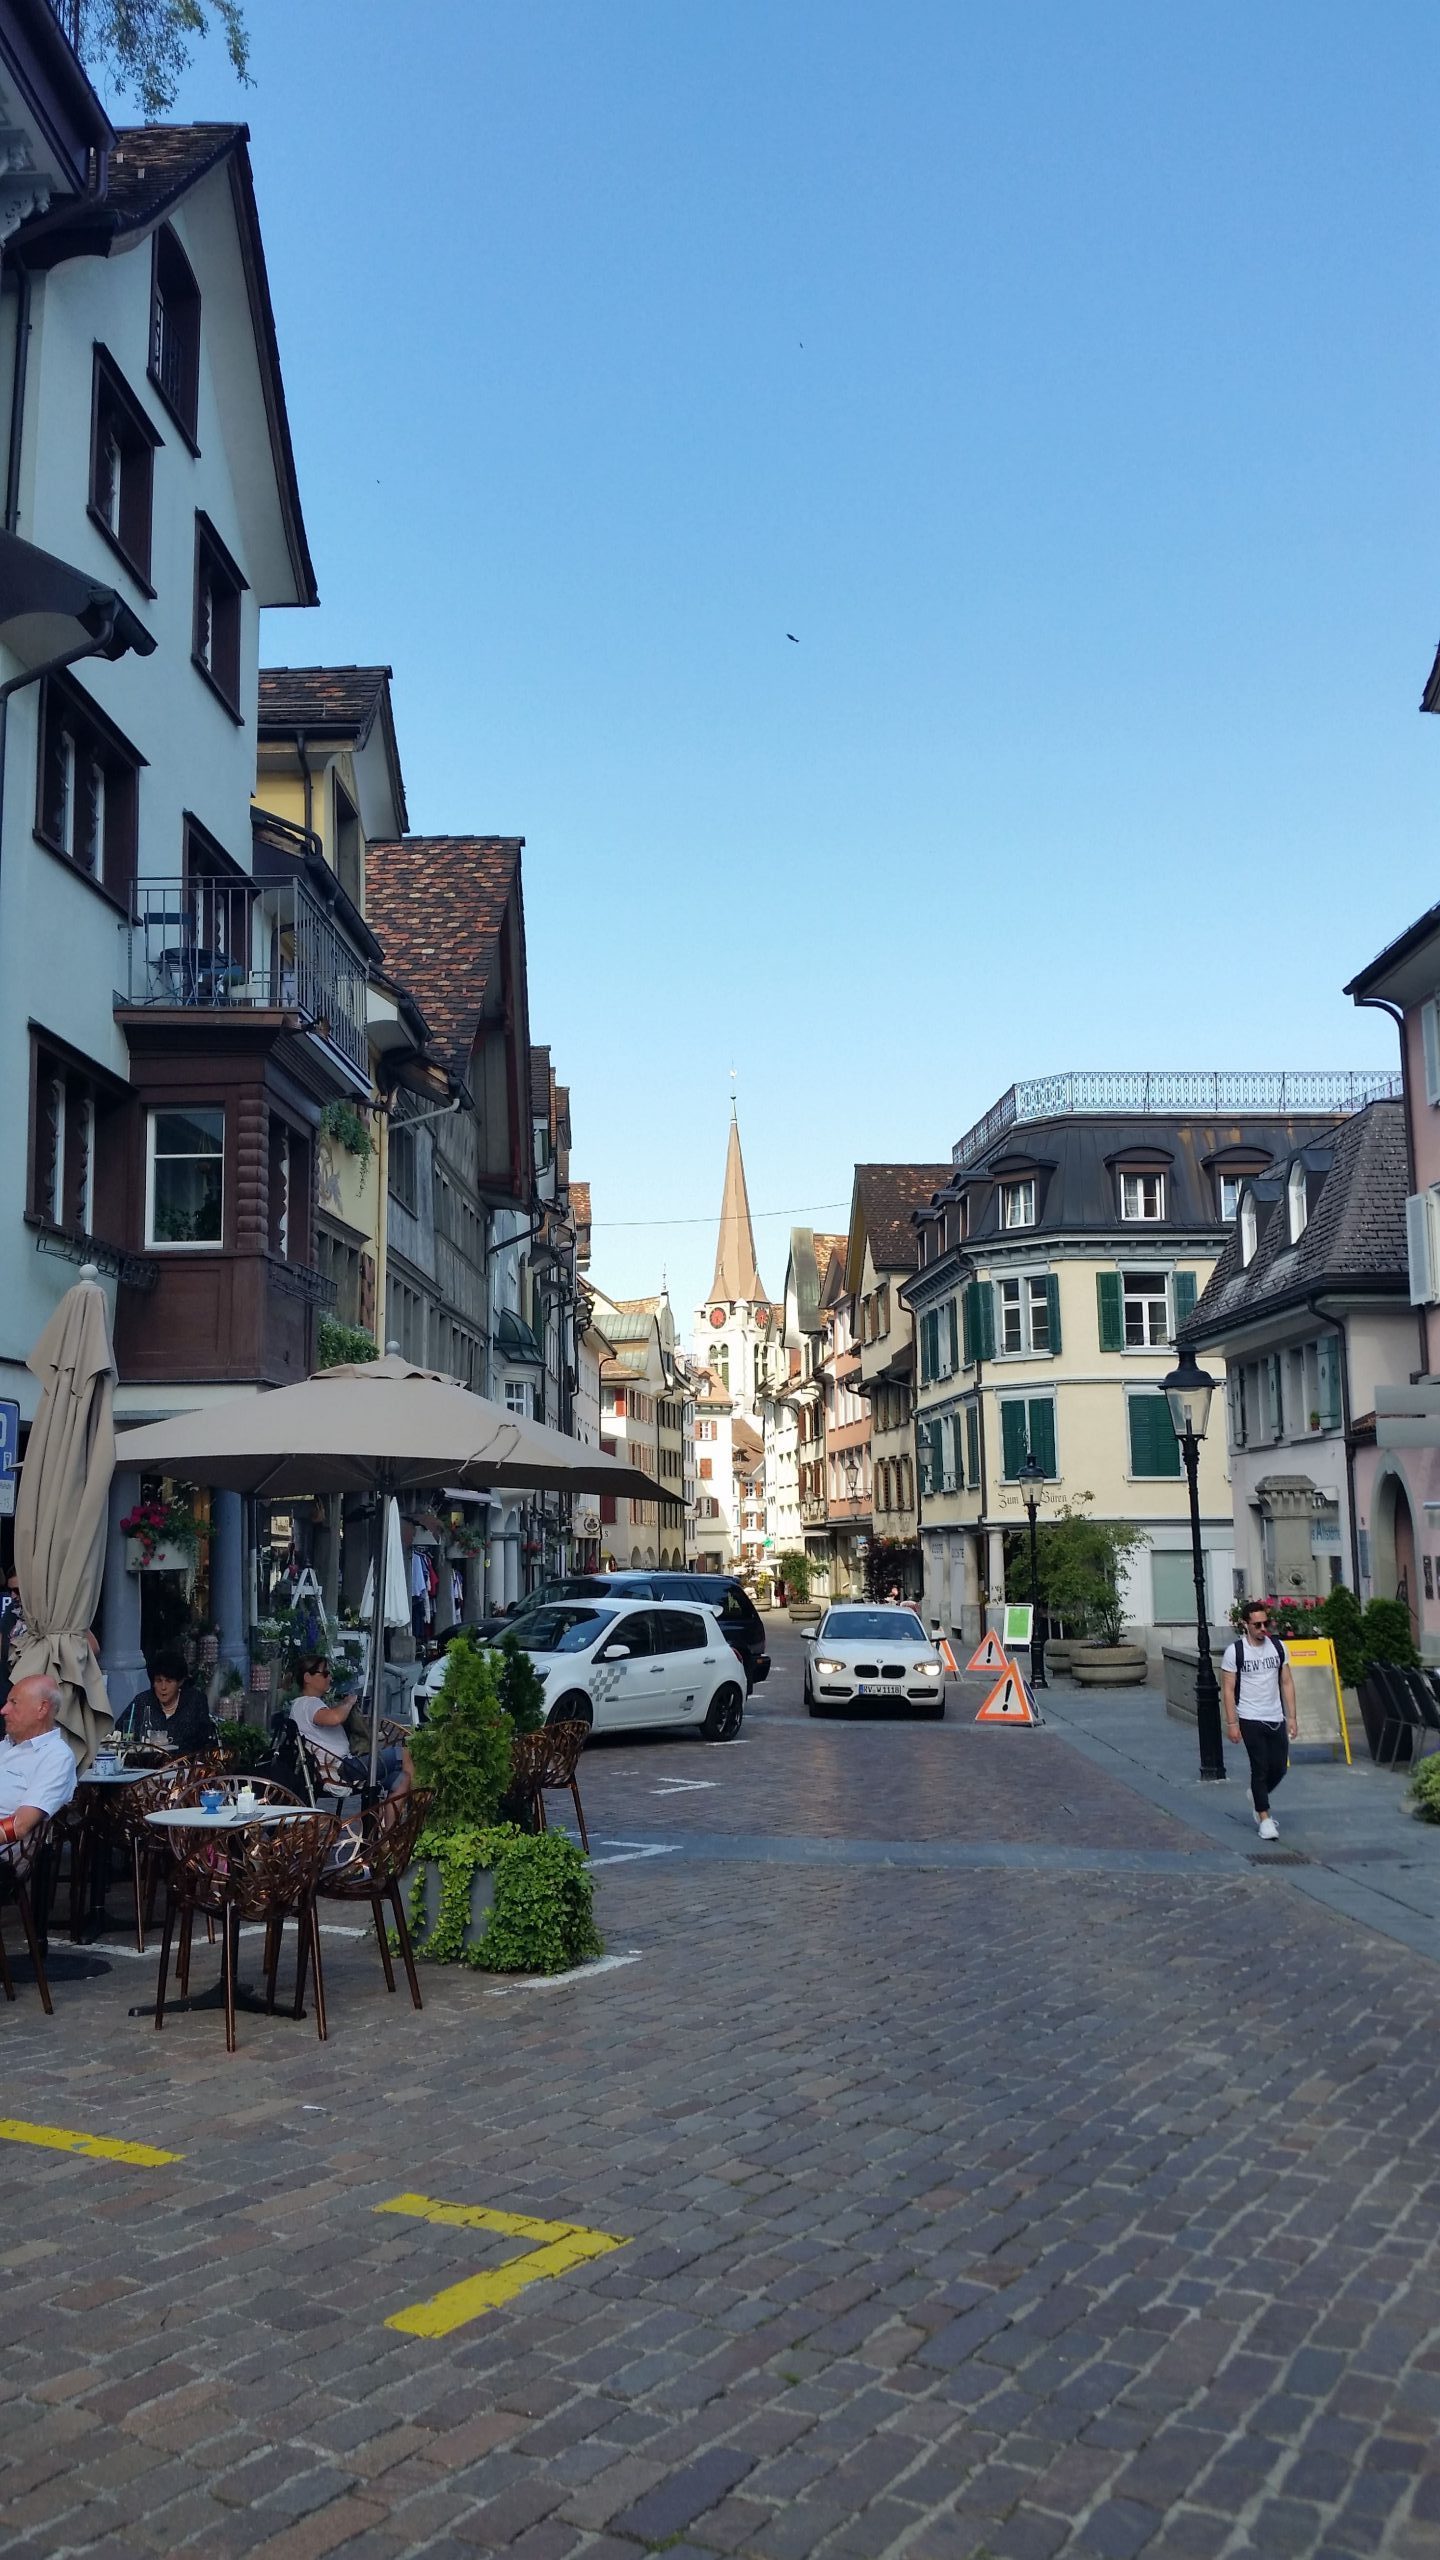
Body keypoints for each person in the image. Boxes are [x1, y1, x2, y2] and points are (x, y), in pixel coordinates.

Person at [1222, 1599, 1298, 1841]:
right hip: (1250, 1716)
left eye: (1266, 1623)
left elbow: (1287, 1682)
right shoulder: (1235, 1652)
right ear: (1246, 1625)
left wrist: (1292, 1716)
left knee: (1280, 1767)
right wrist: (1232, 1723)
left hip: (1275, 1715)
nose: (1263, 1629)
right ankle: (1264, 1818)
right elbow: (1228, 1689)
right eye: (1257, 1625)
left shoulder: (1278, 1647)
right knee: (1260, 1767)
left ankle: (1257, 1795)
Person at [288, 1655, 407, 1795]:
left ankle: (386, 1810)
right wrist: (349, 1702)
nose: (330, 1678)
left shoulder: (302, 1705)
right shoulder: (308, 1704)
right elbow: (335, 1718)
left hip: (341, 1767)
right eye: (325, 1673)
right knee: (405, 1754)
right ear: (307, 1677)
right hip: (344, 1769)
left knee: (401, 1780)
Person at [0, 1673, 77, 1854]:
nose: (3, 1710)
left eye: (14, 1703)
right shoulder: (4, 1746)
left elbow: (20, 1825)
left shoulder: (56, 1757)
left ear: (42, 1709)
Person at [118, 1649, 217, 1755]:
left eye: (169, 1681)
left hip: (184, 1763)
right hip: (146, 1762)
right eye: (158, 1681)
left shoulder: (195, 1701)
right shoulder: (142, 1701)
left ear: (180, 1682)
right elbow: (120, 1731)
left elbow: (204, 1740)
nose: (163, 1687)